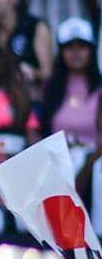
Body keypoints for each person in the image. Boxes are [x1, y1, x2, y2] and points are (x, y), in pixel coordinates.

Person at [40, 17, 102, 168]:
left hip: (96, 168)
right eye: (69, 47)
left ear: (91, 50)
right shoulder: (50, 89)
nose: (75, 52)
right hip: (57, 167)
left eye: (81, 46)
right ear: (60, 52)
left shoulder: (100, 88)